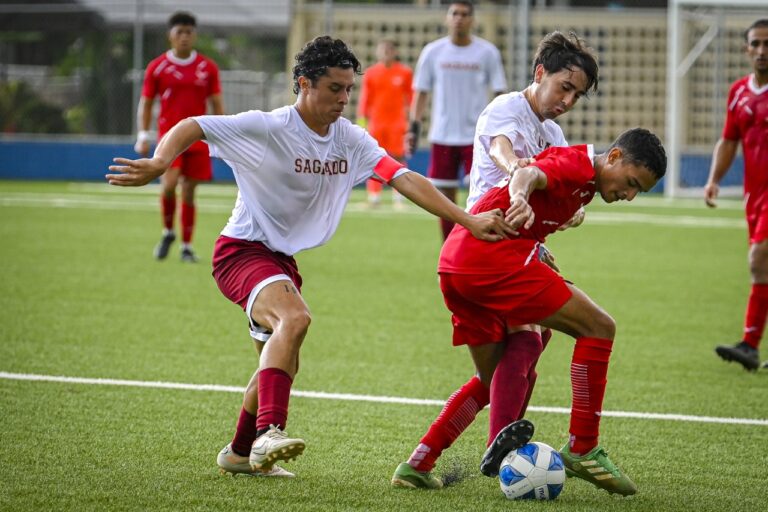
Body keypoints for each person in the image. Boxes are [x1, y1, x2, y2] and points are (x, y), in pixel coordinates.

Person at [107, 36, 513, 479]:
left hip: (282, 261)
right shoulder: (269, 127)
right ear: (304, 83)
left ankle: (239, 454)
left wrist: (465, 220)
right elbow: (192, 124)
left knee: (280, 363)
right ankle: (269, 434)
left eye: (348, 90)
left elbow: (404, 177)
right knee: (295, 319)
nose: (344, 99)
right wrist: (160, 161)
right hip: (241, 251)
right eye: (334, 88)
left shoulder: (350, 139)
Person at [393, 128, 666, 497]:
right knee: (599, 327)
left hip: (457, 264)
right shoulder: (578, 164)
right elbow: (527, 172)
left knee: (497, 377)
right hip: (490, 259)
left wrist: (538, 240)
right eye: (631, 183)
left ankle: (418, 464)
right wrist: (519, 195)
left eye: (638, 192)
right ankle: (582, 446)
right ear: (614, 157)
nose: (629, 195)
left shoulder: (583, 187)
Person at [390, 30, 599, 490]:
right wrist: (518, 178)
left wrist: (573, 211)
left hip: (509, 252)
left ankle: (419, 462)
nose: (568, 100)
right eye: (564, 86)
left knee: (504, 373)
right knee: (529, 339)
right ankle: (502, 445)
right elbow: (503, 151)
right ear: (539, 73)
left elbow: (559, 187)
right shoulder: (505, 108)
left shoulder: (555, 133)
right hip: (490, 248)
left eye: (577, 95)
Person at [408, 0, 507, 240]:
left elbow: (500, 94)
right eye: (454, 13)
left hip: (476, 138)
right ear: (447, 18)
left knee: (486, 196)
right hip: (442, 135)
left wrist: (501, 131)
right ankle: (450, 249)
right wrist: (413, 129)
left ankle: (480, 249)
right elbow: (421, 92)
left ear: (472, 20)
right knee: (444, 199)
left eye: (464, 14)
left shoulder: (487, 52)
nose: (459, 18)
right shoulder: (433, 52)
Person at [135, 11, 225, 263]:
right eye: (179, 32)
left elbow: (217, 103)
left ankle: (186, 246)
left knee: (189, 192)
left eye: (189, 32)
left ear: (194, 35)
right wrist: (143, 134)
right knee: (169, 184)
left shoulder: (207, 67)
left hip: (198, 137)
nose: (184, 37)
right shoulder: (157, 67)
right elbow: (146, 103)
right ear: (170, 36)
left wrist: (223, 135)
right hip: (169, 140)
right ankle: (168, 232)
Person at [705, 19, 768, 372]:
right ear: (747, 49)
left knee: (759, 260)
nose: (762, 51)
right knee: (765, 267)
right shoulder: (739, 92)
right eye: (756, 44)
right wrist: (714, 179)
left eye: (767, 44)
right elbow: (729, 140)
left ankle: (749, 344)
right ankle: (751, 344)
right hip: (754, 196)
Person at [356, 39, 412, 209]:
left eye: (389, 50)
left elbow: (411, 98)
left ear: (394, 52)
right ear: (378, 52)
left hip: (397, 123)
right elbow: (365, 99)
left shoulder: (404, 73)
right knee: (373, 158)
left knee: (398, 158)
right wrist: (361, 122)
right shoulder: (371, 73)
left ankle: (399, 197)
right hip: (377, 123)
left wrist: (411, 122)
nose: (386, 53)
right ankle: (374, 196)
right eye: (383, 50)